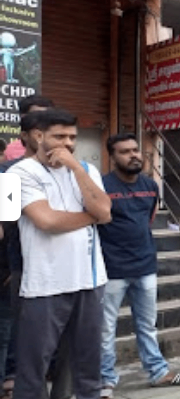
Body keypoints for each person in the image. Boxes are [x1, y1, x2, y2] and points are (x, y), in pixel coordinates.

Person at [9, 109, 113, 399]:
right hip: (45, 284)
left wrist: (77, 169)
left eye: (72, 137)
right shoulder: (19, 172)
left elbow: (104, 210)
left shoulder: (87, 171)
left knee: (88, 367)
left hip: (90, 282)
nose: (67, 143)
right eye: (59, 136)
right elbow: (48, 221)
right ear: (38, 136)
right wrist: (92, 217)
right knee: (33, 369)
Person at [97, 134, 180, 398]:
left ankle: (158, 372)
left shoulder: (150, 186)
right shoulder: (102, 185)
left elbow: (148, 219)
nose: (134, 155)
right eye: (125, 152)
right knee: (106, 329)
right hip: (112, 269)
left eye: (136, 150)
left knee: (147, 324)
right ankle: (105, 380)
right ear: (112, 157)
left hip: (145, 266)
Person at [0, 96, 64, 399]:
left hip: (62, 271)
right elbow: (6, 225)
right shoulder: (10, 172)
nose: (45, 128)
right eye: (37, 121)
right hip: (24, 269)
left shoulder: (67, 169)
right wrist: (12, 265)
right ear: (24, 131)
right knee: (20, 336)